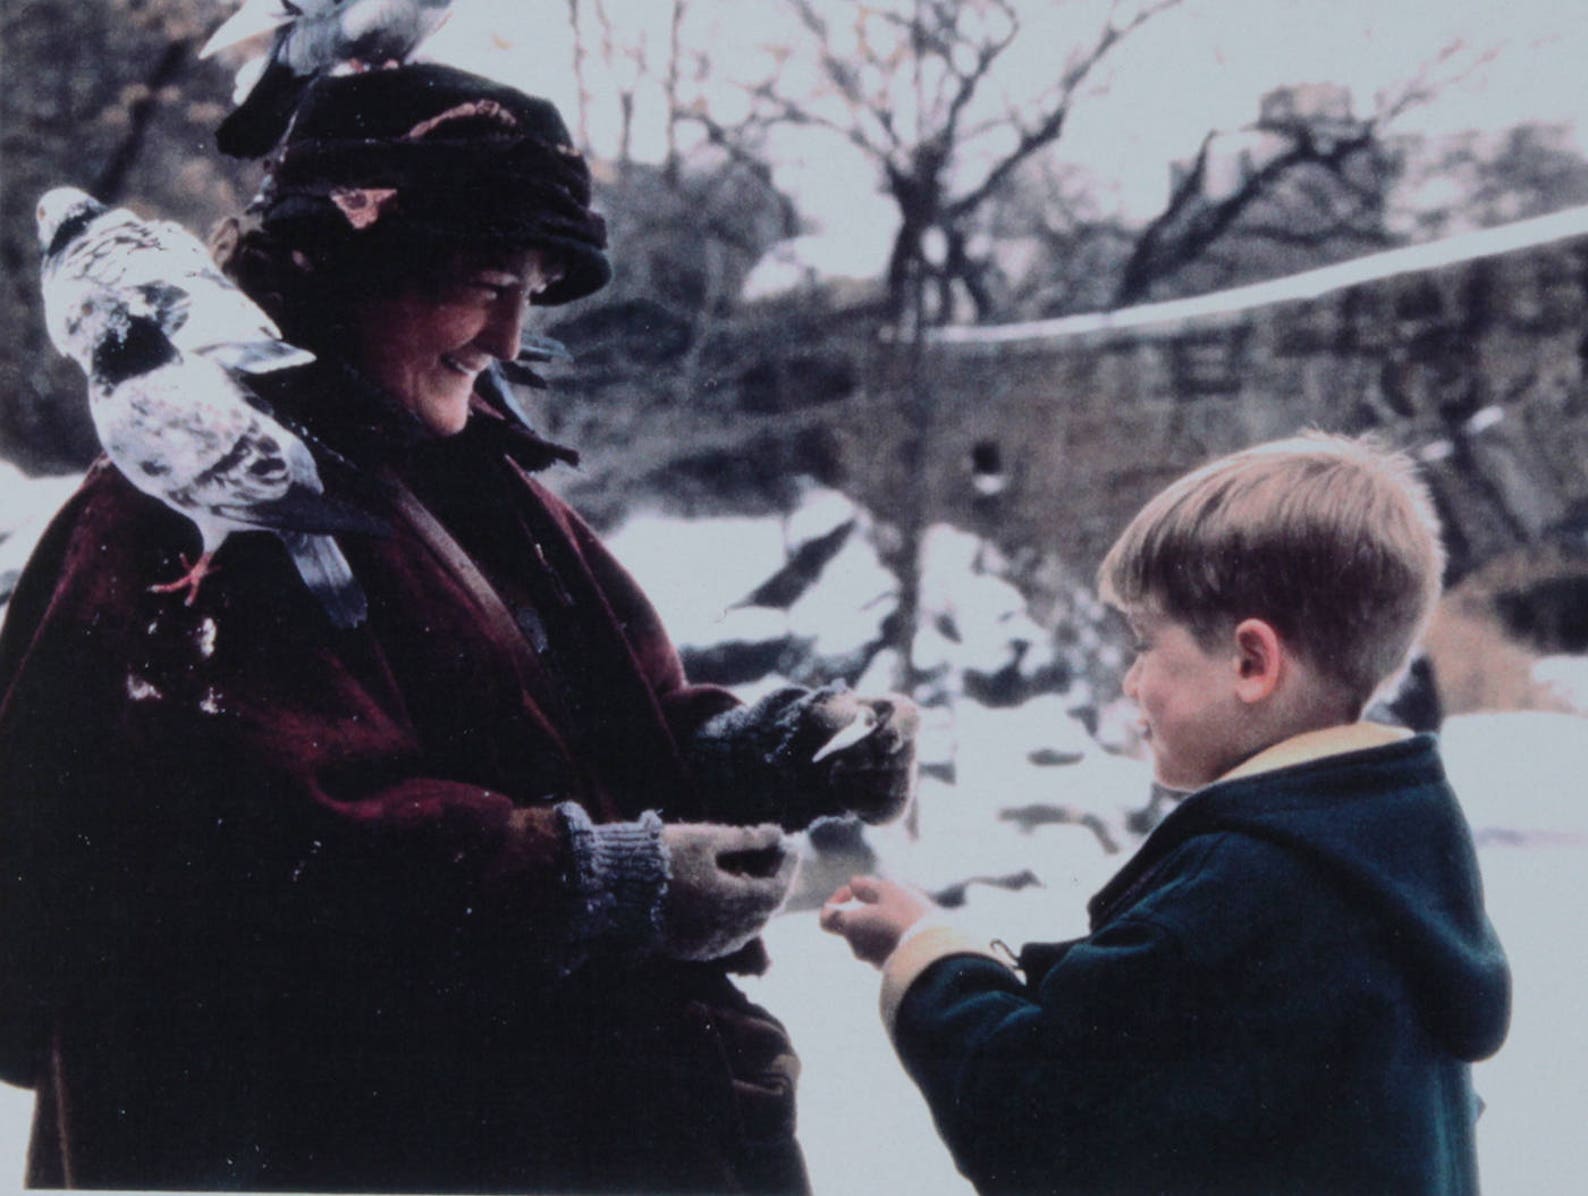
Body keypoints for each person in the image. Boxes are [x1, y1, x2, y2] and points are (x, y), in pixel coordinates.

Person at [0, 65, 919, 1193]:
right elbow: (242, 855)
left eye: (532, 286)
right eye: (485, 281)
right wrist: (590, 880)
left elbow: (586, 715)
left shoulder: (462, 461)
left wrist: (761, 752)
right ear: (347, 266)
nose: (511, 331)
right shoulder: (173, 504)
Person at [820, 432, 1511, 1194]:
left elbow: (1033, 1122)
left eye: (1146, 645)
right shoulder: (1399, 851)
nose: (1130, 682)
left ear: (1252, 663)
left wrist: (925, 954)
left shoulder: (1238, 888)